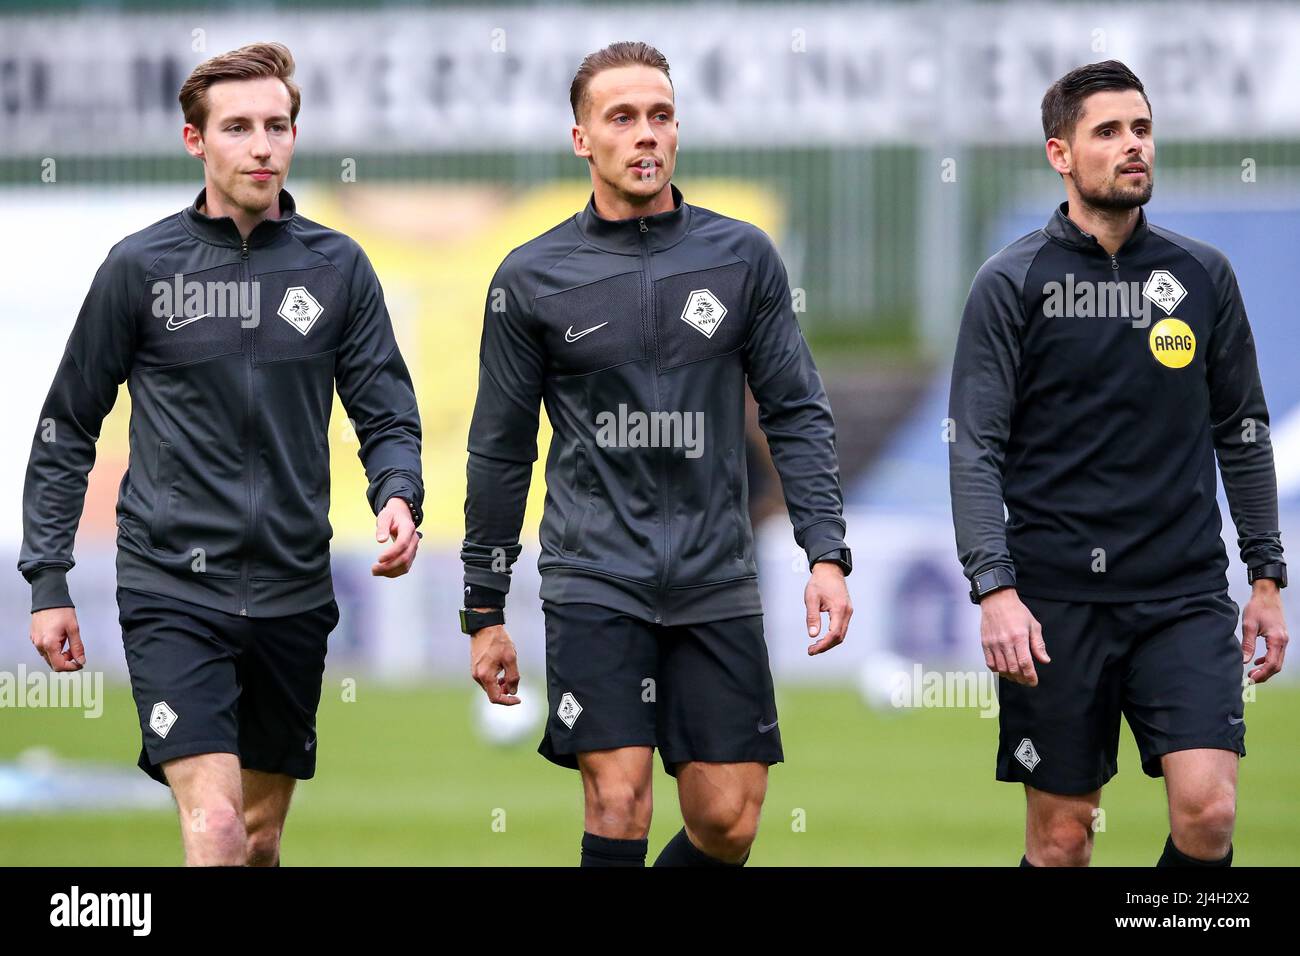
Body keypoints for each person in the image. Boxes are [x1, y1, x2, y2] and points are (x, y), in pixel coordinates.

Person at [19, 42, 424, 866]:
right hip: (171, 585)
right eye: (238, 127)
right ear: (194, 141)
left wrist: (399, 491)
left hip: (292, 586)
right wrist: (48, 579)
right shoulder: (140, 268)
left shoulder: (337, 267)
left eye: (278, 126)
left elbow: (386, 409)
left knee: (261, 840)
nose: (263, 145)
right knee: (216, 830)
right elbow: (68, 425)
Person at [460, 41, 853, 867]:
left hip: (716, 570)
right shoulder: (531, 277)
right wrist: (484, 608)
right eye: (623, 118)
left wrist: (826, 552)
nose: (647, 135)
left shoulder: (741, 257)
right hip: (594, 571)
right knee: (619, 798)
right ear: (582, 140)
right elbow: (501, 449)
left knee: (728, 819)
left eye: (662, 116)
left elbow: (796, 409)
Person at [949, 60, 1288, 867]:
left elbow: (1242, 430)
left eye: (1141, 129)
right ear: (1059, 155)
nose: (1133, 146)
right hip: (1056, 603)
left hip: (1182, 595)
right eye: (1108, 132)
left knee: (1208, 813)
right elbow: (974, 449)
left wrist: (1266, 577)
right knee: (1063, 840)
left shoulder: (1202, 276)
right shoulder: (1011, 283)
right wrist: (994, 589)